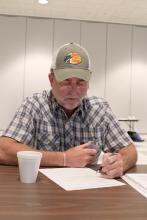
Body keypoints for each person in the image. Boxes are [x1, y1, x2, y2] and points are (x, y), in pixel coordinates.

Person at [0, 42, 137, 178]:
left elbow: (129, 150)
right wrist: (64, 158)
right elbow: (3, 150)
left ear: (88, 82)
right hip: (43, 189)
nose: (73, 90)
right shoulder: (34, 105)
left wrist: (120, 163)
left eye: (80, 82)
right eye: (66, 81)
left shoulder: (100, 110)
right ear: (51, 79)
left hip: (87, 191)